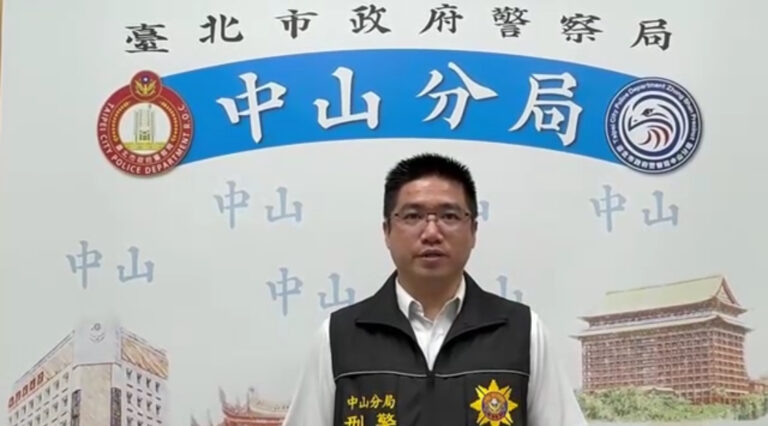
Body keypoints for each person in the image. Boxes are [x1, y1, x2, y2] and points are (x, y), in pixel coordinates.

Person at [283, 153, 587, 426]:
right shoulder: (338, 337)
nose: (431, 232)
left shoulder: (522, 332)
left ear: (473, 231)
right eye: (413, 216)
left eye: (449, 216)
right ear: (387, 231)